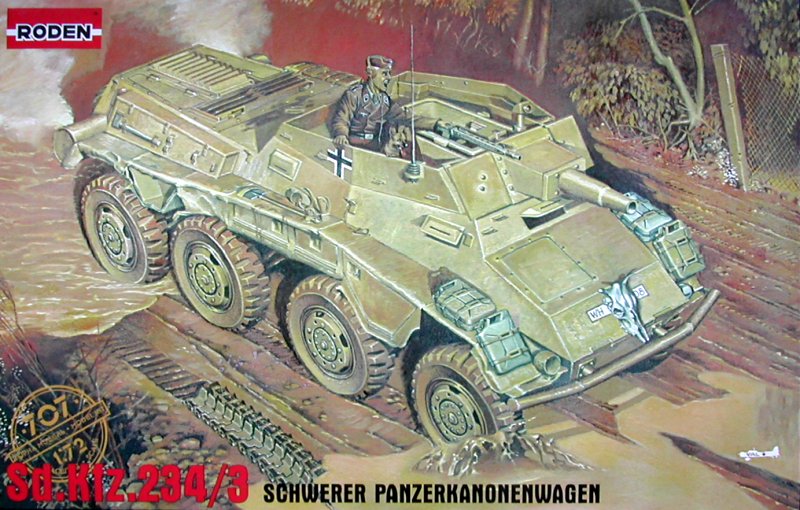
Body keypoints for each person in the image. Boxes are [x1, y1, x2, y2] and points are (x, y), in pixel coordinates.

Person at [331, 55, 436, 156]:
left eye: (389, 73)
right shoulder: (354, 95)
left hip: (375, 145)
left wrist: (435, 124)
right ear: (371, 73)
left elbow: (405, 116)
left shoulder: (385, 100)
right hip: (354, 145)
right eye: (384, 74)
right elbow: (341, 119)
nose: (389, 78)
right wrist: (341, 135)